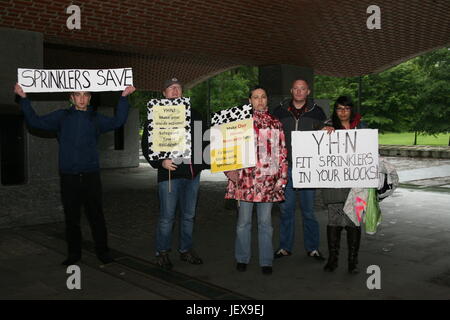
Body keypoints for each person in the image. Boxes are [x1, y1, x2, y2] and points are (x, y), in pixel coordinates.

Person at [13, 83, 136, 266]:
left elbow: (118, 121)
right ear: (71, 97)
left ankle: (103, 253)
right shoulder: (61, 117)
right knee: (72, 219)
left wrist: (124, 97)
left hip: (91, 176)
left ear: (90, 98)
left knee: (96, 217)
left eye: (85, 95)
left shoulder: (95, 118)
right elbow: (35, 122)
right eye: (77, 95)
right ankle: (73, 254)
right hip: (69, 176)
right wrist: (23, 99)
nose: (81, 98)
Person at [141, 78, 209, 270]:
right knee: (167, 216)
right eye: (170, 88)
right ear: (164, 93)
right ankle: (162, 252)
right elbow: (147, 145)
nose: (175, 91)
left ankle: (185, 250)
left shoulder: (194, 114)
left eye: (178, 88)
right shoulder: (156, 116)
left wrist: (202, 165)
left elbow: (204, 141)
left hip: (191, 175)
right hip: (168, 175)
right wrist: (160, 162)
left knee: (189, 216)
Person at [224, 85, 288, 275]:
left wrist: (281, 180)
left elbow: (282, 153)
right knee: (243, 222)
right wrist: (229, 170)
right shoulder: (240, 123)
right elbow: (227, 148)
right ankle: (242, 258)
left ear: (267, 99)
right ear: (249, 100)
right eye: (255, 97)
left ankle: (266, 261)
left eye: (263, 96)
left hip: (268, 182)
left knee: (265, 223)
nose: (260, 100)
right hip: (245, 180)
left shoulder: (275, 123)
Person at [272, 79, 331, 261]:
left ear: (308, 91)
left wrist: (328, 128)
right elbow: (270, 136)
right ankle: (284, 247)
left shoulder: (317, 111)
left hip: (308, 168)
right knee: (286, 211)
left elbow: (326, 132)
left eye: (302, 88)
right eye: (296, 88)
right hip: (285, 168)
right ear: (291, 91)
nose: (299, 91)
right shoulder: (279, 111)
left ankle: (312, 248)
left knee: (308, 212)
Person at [321, 96, 365, 274]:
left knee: (354, 222)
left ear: (351, 109)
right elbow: (313, 138)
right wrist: (322, 130)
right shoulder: (328, 126)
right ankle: (333, 258)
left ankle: (353, 261)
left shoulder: (361, 127)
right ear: (335, 110)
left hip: (355, 183)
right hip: (335, 183)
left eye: (346, 108)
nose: (343, 112)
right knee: (334, 220)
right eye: (339, 108)